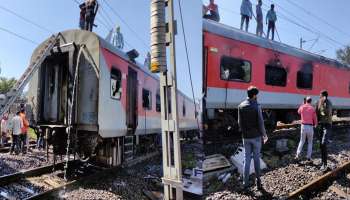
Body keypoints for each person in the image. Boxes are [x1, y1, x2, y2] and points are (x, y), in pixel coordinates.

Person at [238, 86, 268, 190]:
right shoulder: (257, 106)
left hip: (246, 137)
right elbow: (260, 122)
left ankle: (245, 182)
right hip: (256, 137)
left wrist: (244, 133)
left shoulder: (241, 106)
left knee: (246, 160)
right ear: (254, 95)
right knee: (256, 159)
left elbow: (239, 123)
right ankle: (259, 181)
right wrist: (264, 135)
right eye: (257, 95)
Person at [295, 97, 317, 161]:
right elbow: (315, 118)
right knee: (310, 142)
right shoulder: (312, 108)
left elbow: (298, 112)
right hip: (310, 127)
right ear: (311, 101)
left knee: (302, 141)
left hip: (303, 126)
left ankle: (298, 154)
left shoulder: (302, 107)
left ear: (305, 101)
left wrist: (302, 104)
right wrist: (315, 124)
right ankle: (308, 157)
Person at [316, 90, 332, 170]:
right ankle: (323, 163)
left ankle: (324, 164)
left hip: (327, 125)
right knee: (321, 145)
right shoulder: (319, 102)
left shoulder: (328, 103)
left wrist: (323, 103)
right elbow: (317, 112)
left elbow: (327, 113)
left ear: (325, 96)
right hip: (321, 125)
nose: (320, 97)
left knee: (323, 143)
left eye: (321, 96)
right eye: (320, 96)